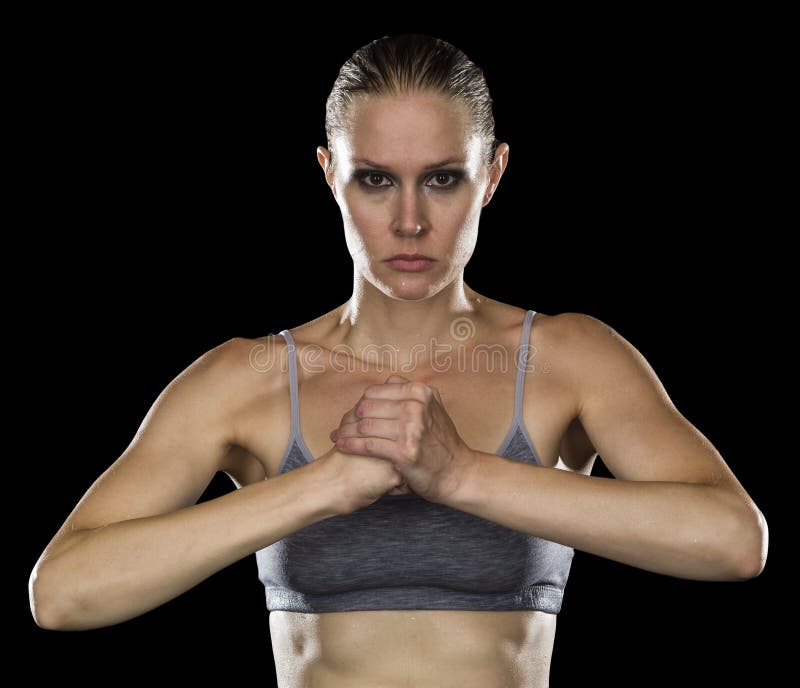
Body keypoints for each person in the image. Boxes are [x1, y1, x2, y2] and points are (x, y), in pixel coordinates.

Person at [29, 33, 768, 687]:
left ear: (494, 174)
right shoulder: (244, 378)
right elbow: (62, 593)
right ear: (329, 174)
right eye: (375, 178)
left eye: (443, 178)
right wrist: (322, 485)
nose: (409, 220)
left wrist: (459, 473)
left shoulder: (570, 359)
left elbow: (733, 541)